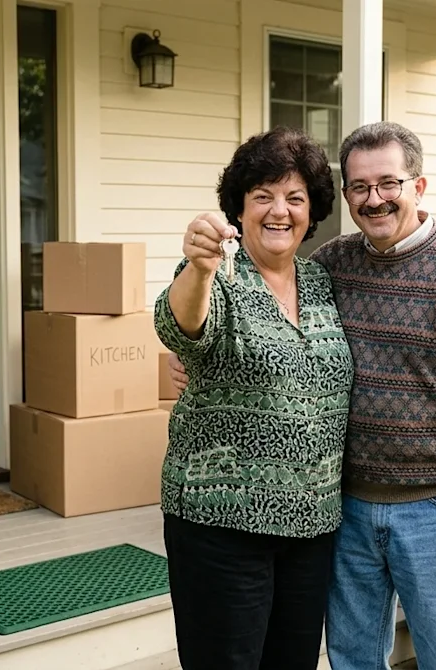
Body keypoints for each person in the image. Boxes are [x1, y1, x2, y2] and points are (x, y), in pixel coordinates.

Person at [168, 121, 436, 670]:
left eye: (389, 183)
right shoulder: (314, 266)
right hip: (327, 512)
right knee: (352, 659)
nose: (374, 198)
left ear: (418, 186)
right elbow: (199, 326)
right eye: (359, 186)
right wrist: (194, 341)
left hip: (425, 511)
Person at [153, 126, 355, 670]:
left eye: (294, 198)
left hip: (311, 526)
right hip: (222, 523)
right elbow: (182, 326)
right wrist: (198, 267)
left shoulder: (322, 280)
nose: (279, 211)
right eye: (262, 196)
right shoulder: (218, 275)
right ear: (238, 209)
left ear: (312, 213)